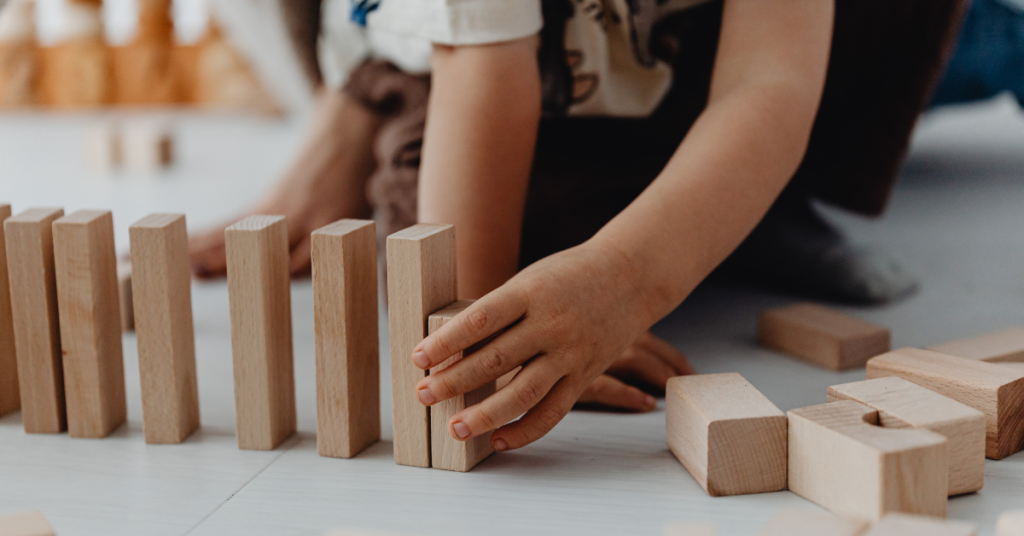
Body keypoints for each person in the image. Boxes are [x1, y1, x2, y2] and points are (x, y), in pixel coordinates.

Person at [188, 0, 967, 449]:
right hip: (471, 57)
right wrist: (488, 332)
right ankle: (361, 99)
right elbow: (482, 73)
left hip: (685, 48)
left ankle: (749, 200)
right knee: (470, 237)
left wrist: (631, 275)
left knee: (965, 40)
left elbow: (770, 80)